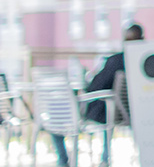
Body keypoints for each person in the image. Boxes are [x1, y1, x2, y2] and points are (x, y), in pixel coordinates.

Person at [51, 23, 142, 167]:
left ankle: (63, 162)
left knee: (56, 111)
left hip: (104, 110)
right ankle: (104, 159)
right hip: (131, 111)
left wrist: (85, 89)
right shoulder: (146, 61)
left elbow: (96, 85)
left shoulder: (116, 60)